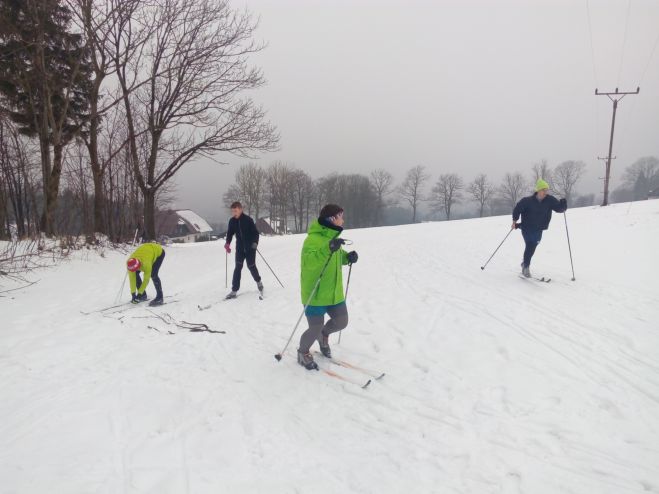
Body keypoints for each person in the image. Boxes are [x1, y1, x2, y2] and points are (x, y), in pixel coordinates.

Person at [297, 204, 358, 370]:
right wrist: (328, 248)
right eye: (340, 216)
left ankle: (324, 335)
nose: (343, 220)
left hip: (334, 293)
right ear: (332, 219)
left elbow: (336, 257)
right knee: (315, 328)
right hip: (315, 294)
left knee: (341, 321)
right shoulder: (312, 240)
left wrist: (348, 257)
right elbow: (309, 263)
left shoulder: (333, 238)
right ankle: (302, 352)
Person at [512, 179, 567, 278]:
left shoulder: (550, 200)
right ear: (538, 190)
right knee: (530, 245)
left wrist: (563, 204)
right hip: (527, 228)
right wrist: (514, 221)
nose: (545, 192)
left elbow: (559, 209)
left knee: (533, 247)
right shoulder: (527, 201)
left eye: (546, 190)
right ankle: (526, 267)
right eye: (543, 190)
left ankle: (525, 263)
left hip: (539, 228)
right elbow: (517, 209)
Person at [224, 201, 263, 299]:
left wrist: (255, 243)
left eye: (235, 211)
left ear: (241, 209)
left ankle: (258, 281)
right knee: (238, 268)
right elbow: (229, 233)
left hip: (250, 248)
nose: (234, 213)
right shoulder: (232, 221)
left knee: (251, 266)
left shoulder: (248, 220)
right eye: (232, 211)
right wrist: (227, 243)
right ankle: (234, 290)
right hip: (240, 249)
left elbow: (255, 233)